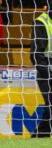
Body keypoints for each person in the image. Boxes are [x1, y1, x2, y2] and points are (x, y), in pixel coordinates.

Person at [30, 7, 52, 137]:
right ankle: (39, 137)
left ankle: (39, 137)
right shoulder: (41, 22)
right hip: (47, 72)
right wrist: (48, 73)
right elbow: (36, 55)